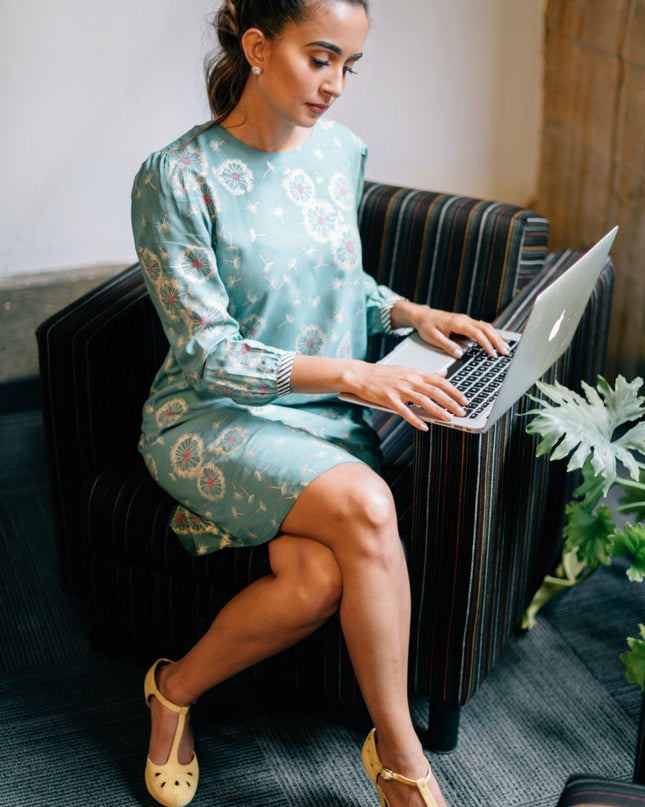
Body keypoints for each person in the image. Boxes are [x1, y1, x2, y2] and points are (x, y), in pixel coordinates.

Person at [131, 1, 508, 805]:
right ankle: (402, 758)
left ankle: (170, 690)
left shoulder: (340, 152)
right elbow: (207, 351)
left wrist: (409, 313)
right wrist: (355, 376)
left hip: (318, 417)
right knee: (370, 507)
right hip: (209, 417)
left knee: (312, 581)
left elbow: (335, 278)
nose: (336, 85)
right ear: (259, 47)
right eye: (320, 58)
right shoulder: (177, 176)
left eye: (350, 66)